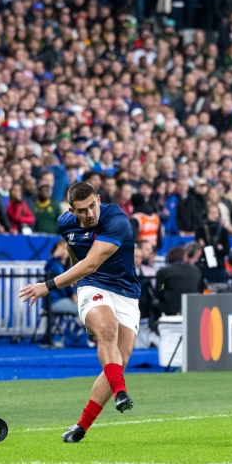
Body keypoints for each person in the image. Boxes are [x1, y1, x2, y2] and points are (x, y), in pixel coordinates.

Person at [19, 182, 141, 444]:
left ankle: (81, 427)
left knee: (122, 357)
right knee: (106, 330)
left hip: (125, 292)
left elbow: (93, 261)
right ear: (72, 210)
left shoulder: (116, 219)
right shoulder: (65, 223)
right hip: (93, 286)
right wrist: (70, 274)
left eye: (92, 206)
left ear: (99, 199)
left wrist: (47, 285)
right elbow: (77, 252)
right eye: (82, 210)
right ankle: (121, 392)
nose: (90, 214)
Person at [154, 243, 202, 316]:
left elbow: (160, 290)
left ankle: (153, 326)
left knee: (154, 303)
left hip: (169, 309)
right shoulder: (197, 271)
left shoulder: (164, 272)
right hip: (192, 308)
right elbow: (199, 289)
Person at [196, 204, 230, 284]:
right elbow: (197, 248)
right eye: (211, 212)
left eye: (215, 212)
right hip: (204, 264)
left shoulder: (223, 230)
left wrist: (215, 249)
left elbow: (226, 249)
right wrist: (216, 248)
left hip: (219, 265)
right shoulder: (201, 229)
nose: (214, 215)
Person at [45, 240, 78, 315]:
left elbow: (70, 284)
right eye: (61, 248)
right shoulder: (54, 265)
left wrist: (74, 294)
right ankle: (75, 325)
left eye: (65, 248)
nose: (63, 251)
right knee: (81, 308)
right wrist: (55, 255)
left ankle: (74, 325)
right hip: (55, 301)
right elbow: (46, 269)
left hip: (65, 299)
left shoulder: (68, 266)